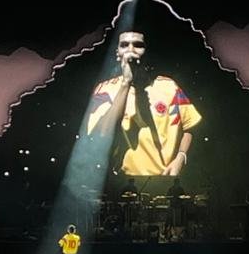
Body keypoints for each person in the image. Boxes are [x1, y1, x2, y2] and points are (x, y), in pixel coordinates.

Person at [85, 29, 202, 175]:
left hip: (164, 180)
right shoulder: (105, 90)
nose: (131, 50)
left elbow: (190, 127)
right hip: (121, 182)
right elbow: (101, 135)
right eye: (124, 45)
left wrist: (180, 157)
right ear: (118, 53)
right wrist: (126, 84)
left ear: (146, 52)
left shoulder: (169, 86)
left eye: (138, 45)